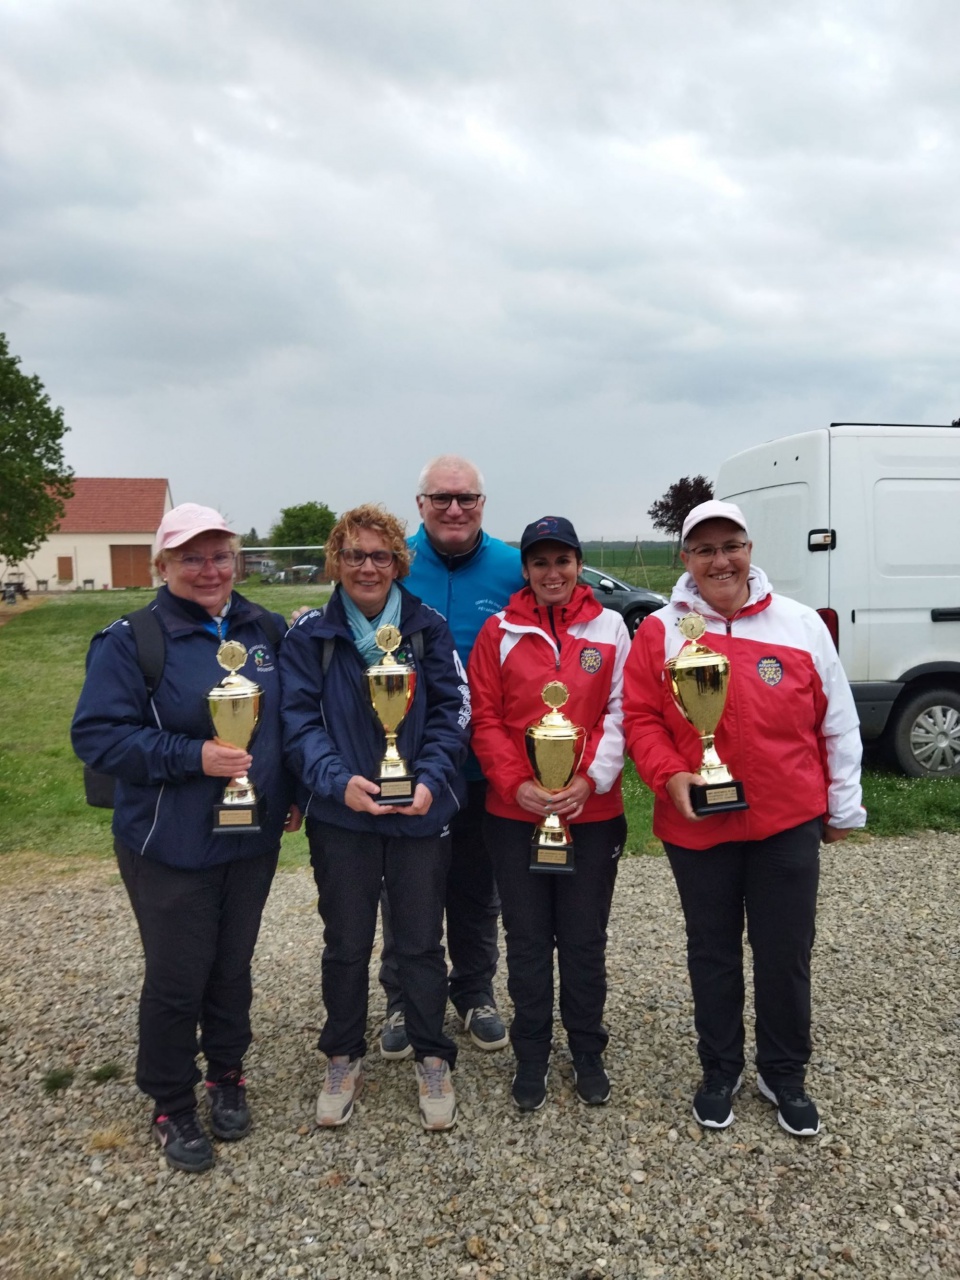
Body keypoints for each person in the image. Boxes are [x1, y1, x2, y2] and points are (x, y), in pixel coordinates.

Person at [623, 499, 866, 1137]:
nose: (719, 560)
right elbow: (641, 717)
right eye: (704, 549)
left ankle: (783, 1073)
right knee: (711, 952)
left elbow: (835, 717)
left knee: (785, 952)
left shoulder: (801, 624)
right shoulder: (662, 630)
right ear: (687, 560)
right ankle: (720, 1067)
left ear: (750, 550)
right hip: (698, 822)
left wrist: (843, 803)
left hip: (785, 819)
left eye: (730, 545)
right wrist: (668, 775)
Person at [71, 503, 298, 1174]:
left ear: (238, 560)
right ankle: (170, 1099)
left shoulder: (267, 628)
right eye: (191, 557)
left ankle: (226, 1073)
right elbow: (98, 735)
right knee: (178, 976)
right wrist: (192, 756)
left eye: (220, 554)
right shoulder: (132, 639)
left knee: (231, 967)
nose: (209, 569)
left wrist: (291, 795)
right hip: (168, 841)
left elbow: (287, 722)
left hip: (249, 835)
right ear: (162, 565)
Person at [280, 503, 469, 1131]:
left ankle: (432, 1054)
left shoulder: (426, 627)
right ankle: (342, 1053)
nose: (367, 566)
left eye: (380, 555)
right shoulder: (311, 632)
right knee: (346, 943)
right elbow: (297, 722)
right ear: (337, 559)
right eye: (355, 555)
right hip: (345, 816)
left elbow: (450, 712)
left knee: (419, 942)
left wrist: (432, 777)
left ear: (397, 562)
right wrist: (337, 783)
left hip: (417, 812)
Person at [468, 516, 629, 1111]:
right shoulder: (498, 630)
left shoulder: (611, 626)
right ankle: (531, 1052)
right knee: (529, 940)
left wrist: (591, 778)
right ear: (527, 571)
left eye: (563, 561)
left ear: (579, 565)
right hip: (516, 816)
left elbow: (623, 710)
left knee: (584, 939)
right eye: (540, 563)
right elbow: (484, 718)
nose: (552, 573)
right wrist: (515, 784)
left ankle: (587, 1048)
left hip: (592, 812)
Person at [377, 456, 524, 1060]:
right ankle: (403, 996)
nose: (454, 509)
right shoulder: (392, 563)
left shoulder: (515, 567)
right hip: (403, 760)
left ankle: (474, 990)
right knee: (405, 887)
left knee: (474, 885)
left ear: (483, 504)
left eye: (466, 499)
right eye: (441, 498)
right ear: (420, 506)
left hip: (482, 764)